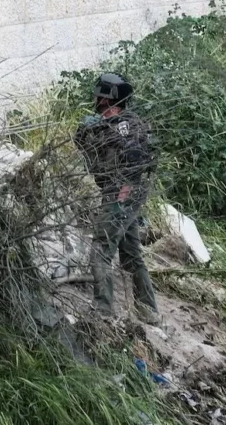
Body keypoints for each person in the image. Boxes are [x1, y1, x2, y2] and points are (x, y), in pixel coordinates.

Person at [74, 73, 160, 325]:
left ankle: (103, 310)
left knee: (101, 248)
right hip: (124, 194)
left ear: (107, 97)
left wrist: (121, 198)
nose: (95, 98)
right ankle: (149, 310)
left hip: (121, 193)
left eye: (99, 94)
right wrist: (85, 129)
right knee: (131, 253)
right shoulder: (110, 124)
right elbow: (86, 148)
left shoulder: (126, 126)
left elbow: (135, 159)